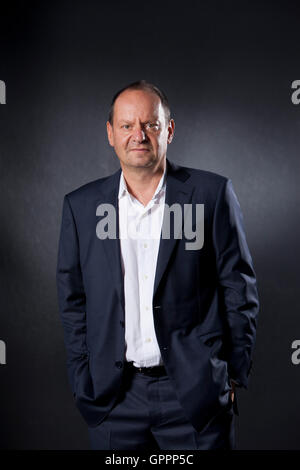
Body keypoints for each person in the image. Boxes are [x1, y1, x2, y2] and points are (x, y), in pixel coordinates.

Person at [56, 80, 259, 450]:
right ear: (110, 134)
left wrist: (230, 375)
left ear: (169, 129)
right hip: (114, 399)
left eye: (150, 124)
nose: (139, 135)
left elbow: (239, 287)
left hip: (195, 397)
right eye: (127, 126)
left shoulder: (211, 195)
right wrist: (81, 377)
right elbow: (73, 301)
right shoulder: (81, 207)